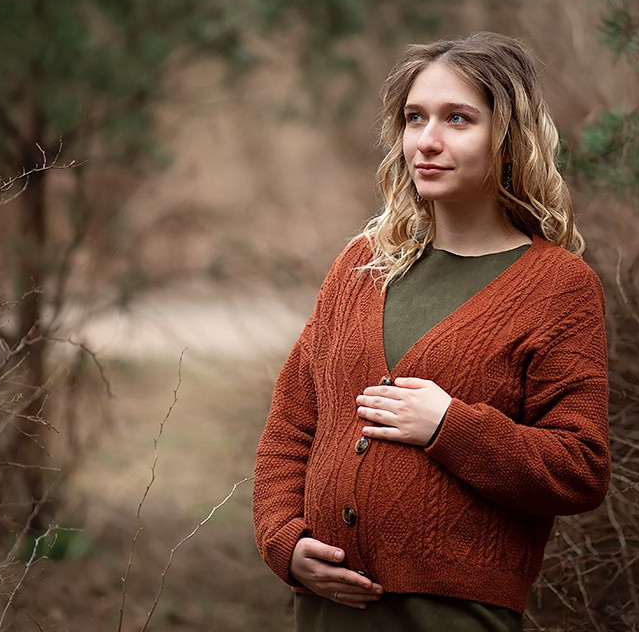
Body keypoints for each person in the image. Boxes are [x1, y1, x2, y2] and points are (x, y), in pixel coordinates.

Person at [252, 32, 610, 631]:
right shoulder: (361, 267)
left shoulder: (557, 286)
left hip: (453, 616)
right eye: (415, 118)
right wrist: (283, 542)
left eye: (458, 119)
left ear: (507, 138)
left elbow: (580, 465)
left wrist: (450, 427)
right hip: (327, 611)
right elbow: (292, 424)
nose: (427, 140)